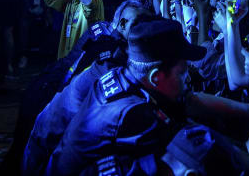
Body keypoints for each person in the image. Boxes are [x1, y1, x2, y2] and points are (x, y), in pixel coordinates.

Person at [45, 16, 206, 174]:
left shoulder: (119, 75)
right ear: (155, 77)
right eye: (182, 74)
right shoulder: (134, 114)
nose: (188, 79)